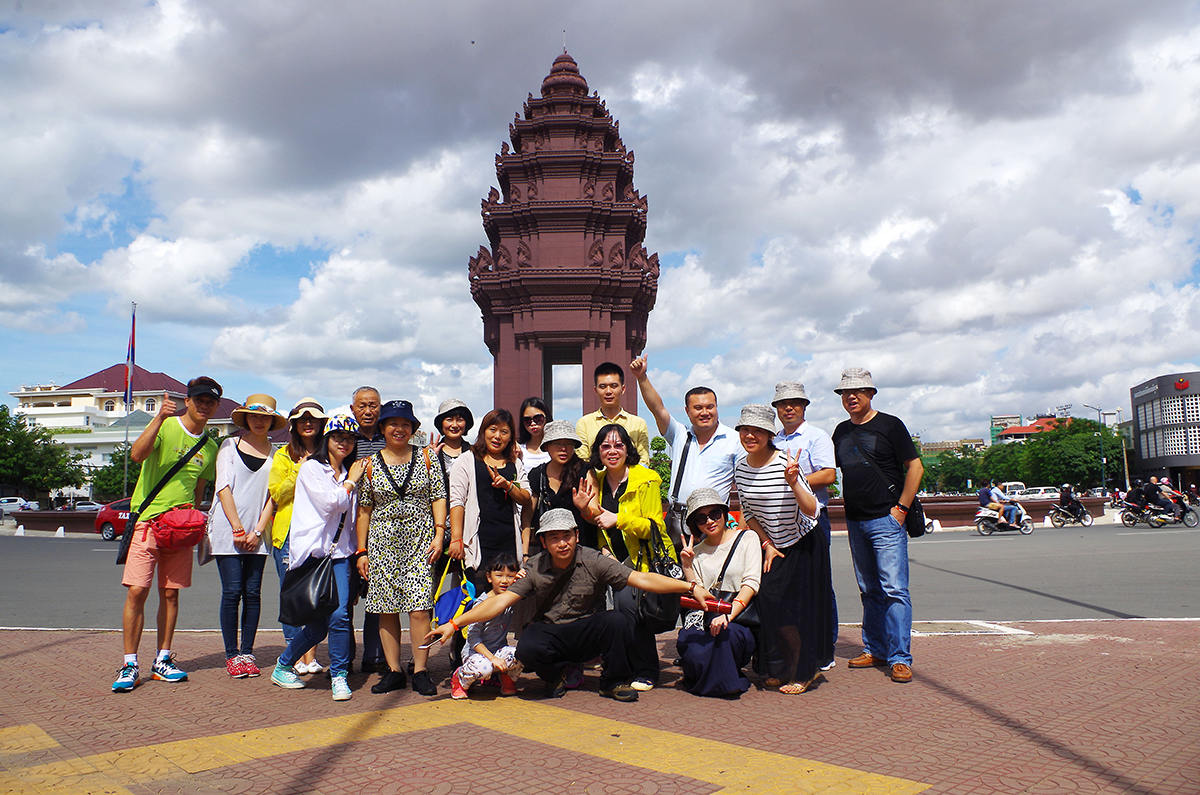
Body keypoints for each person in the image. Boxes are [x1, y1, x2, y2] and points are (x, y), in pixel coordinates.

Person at [425, 508, 714, 703]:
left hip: (586, 630)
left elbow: (641, 579)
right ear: (543, 542)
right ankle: (555, 677)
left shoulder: (593, 560)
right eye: (554, 538)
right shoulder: (535, 567)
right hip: (551, 632)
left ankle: (613, 681)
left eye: (567, 536)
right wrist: (454, 624)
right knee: (527, 646)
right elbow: (499, 602)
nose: (562, 543)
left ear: (576, 535)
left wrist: (690, 587)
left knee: (619, 619)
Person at [112, 377, 222, 693]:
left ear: (216, 407)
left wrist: (196, 522)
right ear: (187, 401)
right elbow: (137, 455)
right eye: (199, 400)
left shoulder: (210, 446)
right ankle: (129, 663)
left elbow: (200, 487)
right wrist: (159, 417)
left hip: (180, 528)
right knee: (137, 591)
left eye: (210, 402)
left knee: (171, 593)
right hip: (148, 522)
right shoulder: (168, 426)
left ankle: (162, 659)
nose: (204, 406)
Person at [831, 368, 923, 685]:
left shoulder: (890, 425)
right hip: (855, 521)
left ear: (871, 393)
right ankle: (875, 649)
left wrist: (901, 509)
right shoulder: (840, 431)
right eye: (845, 392)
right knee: (869, 589)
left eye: (857, 391)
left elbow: (915, 466)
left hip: (886, 518)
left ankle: (900, 657)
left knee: (894, 589)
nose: (851, 397)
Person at [269, 414, 368, 701]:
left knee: (339, 615)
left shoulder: (348, 471)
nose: (344, 443)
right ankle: (285, 664)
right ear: (327, 439)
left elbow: (353, 517)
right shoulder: (313, 468)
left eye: (350, 439)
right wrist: (351, 482)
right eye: (338, 437)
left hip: (341, 555)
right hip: (314, 555)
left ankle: (338, 675)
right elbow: (331, 504)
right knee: (318, 623)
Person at [355, 400, 447, 696]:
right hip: (382, 545)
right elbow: (364, 510)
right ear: (382, 428)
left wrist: (439, 533)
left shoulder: (427, 458)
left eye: (405, 424)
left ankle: (420, 669)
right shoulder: (369, 464)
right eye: (393, 423)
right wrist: (361, 551)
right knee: (386, 609)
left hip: (421, 543)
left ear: (413, 428)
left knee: (420, 608)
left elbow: (438, 496)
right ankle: (394, 670)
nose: (399, 429)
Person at [575, 422, 674, 691]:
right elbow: (599, 521)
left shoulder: (646, 478)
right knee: (621, 613)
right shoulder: (598, 479)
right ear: (598, 451)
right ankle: (626, 666)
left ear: (628, 449)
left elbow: (655, 526)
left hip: (644, 558)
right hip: (614, 558)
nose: (612, 451)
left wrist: (619, 519)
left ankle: (646, 670)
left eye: (619, 445)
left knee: (632, 610)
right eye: (605, 446)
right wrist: (600, 540)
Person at [733, 404, 824, 695]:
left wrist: (794, 482)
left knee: (799, 610)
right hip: (772, 544)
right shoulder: (741, 467)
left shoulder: (785, 462)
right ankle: (779, 667)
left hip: (802, 542)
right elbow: (748, 513)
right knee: (770, 603)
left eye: (757, 431)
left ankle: (804, 672)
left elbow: (812, 510)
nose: (750, 436)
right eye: (745, 430)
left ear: (770, 435)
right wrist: (767, 544)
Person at [629, 354, 742, 550]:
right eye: (698, 408)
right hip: (677, 519)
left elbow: (746, 489)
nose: (705, 412)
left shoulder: (734, 440)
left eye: (710, 407)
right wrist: (642, 377)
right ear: (687, 411)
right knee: (672, 566)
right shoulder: (679, 434)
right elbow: (657, 408)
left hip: (712, 521)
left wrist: (740, 531)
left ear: (717, 407)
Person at [209, 394, 285, 679]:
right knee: (232, 592)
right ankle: (232, 654)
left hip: (258, 533)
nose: (259, 421)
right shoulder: (229, 446)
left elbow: (273, 496)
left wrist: (257, 531)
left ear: (272, 422)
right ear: (246, 418)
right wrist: (238, 528)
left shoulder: (277, 454)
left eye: (265, 418)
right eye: (254, 416)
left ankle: (247, 652)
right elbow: (223, 487)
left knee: (253, 593)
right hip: (227, 530)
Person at [771, 380, 838, 670]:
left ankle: (824, 649)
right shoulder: (773, 440)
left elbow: (829, 475)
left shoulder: (816, 437)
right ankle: (790, 649)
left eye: (794, 403)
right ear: (776, 409)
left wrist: (794, 481)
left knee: (818, 584)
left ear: (804, 406)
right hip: (780, 520)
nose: (789, 408)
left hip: (812, 519)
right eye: (783, 404)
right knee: (784, 586)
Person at [676, 488, 761, 698]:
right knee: (689, 642)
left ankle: (721, 683)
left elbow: (751, 583)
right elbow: (698, 593)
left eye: (715, 514)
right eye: (701, 518)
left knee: (725, 635)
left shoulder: (747, 538)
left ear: (724, 514)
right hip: (706, 616)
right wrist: (687, 566)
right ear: (695, 524)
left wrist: (727, 616)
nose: (710, 521)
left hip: (738, 619)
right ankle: (718, 677)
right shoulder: (696, 552)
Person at [265, 398, 326, 674]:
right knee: (292, 595)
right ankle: (293, 656)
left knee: (315, 595)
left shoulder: (329, 452)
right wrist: (300, 469)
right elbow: (277, 494)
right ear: (294, 425)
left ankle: (310, 657)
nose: (308, 423)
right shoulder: (283, 455)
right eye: (303, 419)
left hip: (319, 533)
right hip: (290, 531)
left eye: (313, 418)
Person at [447, 408, 533, 593]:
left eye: (504, 432)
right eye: (492, 429)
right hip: (479, 544)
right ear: (483, 431)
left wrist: (508, 486)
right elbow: (457, 502)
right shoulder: (467, 460)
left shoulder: (514, 463)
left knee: (508, 598)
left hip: (509, 543)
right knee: (478, 598)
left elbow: (526, 498)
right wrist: (456, 539)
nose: (497, 436)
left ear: (511, 437)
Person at [449, 552, 523, 699]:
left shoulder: (509, 600)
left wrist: (523, 578)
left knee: (522, 653)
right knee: (484, 668)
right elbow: (473, 638)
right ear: (489, 577)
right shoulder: (481, 604)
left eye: (510, 576)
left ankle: (505, 677)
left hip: (497, 651)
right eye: (499, 575)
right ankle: (460, 678)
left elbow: (529, 590)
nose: (504, 581)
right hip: (476, 653)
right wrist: (492, 659)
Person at [350, 386, 387, 674]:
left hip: (381, 529)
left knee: (378, 595)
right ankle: (344, 656)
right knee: (345, 597)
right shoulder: (344, 440)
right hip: (348, 528)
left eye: (373, 405)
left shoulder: (389, 438)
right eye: (362, 405)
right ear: (353, 409)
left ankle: (375, 655)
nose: (368, 411)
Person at [523, 420, 596, 553]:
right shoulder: (537, 474)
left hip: (581, 549)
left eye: (568, 443)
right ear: (547, 446)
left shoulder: (585, 472)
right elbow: (527, 516)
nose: (563, 448)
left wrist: (584, 509)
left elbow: (596, 516)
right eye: (557, 443)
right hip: (547, 550)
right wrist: (525, 552)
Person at [575, 362, 651, 462]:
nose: (608, 391)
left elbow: (643, 461)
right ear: (595, 390)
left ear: (623, 389)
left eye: (614, 386)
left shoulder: (638, 424)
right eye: (602, 386)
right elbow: (582, 460)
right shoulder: (584, 423)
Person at [518, 397, 552, 470]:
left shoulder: (556, 447)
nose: (533, 423)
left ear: (546, 417)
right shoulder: (518, 449)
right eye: (527, 420)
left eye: (538, 419)